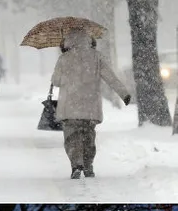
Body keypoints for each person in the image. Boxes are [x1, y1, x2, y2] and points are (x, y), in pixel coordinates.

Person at [52, 29, 131, 180]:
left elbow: (55, 81)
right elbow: (111, 78)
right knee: (88, 137)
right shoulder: (96, 57)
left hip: (69, 107)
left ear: (68, 41)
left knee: (71, 138)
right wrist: (124, 94)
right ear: (89, 40)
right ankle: (88, 165)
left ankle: (76, 165)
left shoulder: (64, 58)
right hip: (90, 106)